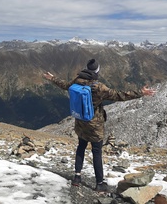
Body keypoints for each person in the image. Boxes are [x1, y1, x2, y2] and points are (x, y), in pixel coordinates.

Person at [43, 59, 155, 192]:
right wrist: (141, 93)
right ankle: (99, 183)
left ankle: (77, 178)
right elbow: (120, 95)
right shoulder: (99, 87)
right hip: (95, 125)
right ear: (97, 71)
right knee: (96, 152)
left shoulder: (77, 81)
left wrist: (52, 78)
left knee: (81, 147)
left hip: (80, 121)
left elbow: (64, 85)